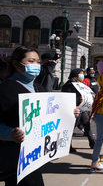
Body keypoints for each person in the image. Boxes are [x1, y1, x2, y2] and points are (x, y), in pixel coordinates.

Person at [0, 46, 80, 185]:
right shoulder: (5, 90)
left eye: (38, 62)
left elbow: (50, 114)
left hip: (35, 156)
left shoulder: (38, 87)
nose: (36, 66)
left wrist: (68, 113)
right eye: (31, 61)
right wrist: (11, 133)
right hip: (15, 157)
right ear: (16, 63)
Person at [61, 68, 95, 152]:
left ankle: (93, 143)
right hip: (74, 110)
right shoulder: (68, 85)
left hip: (83, 109)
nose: (82, 75)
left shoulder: (81, 84)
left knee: (87, 126)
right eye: (80, 74)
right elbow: (66, 98)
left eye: (83, 73)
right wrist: (77, 101)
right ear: (75, 75)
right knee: (71, 128)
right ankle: (68, 146)